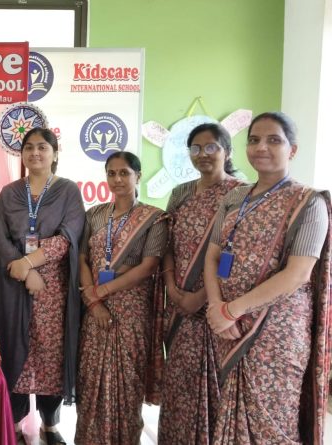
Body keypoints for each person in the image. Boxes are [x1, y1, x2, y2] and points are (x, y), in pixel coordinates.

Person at [204, 112, 331, 444]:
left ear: (293, 150)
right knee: (230, 415)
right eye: (254, 140)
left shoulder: (308, 203)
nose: (261, 147)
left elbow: (298, 274)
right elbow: (212, 256)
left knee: (273, 422)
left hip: (276, 333)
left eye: (274, 140)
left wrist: (231, 310)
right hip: (228, 327)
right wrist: (217, 306)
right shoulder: (233, 198)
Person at [0, 128, 85, 445]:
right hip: (13, 285)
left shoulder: (68, 191)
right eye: (29, 147)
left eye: (42, 147)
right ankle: (14, 424)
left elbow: (69, 236)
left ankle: (50, 425)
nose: (35, 153)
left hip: (52, 288)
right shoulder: (10, 192)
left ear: (55, 153)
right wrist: (23, 269)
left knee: (50, 355)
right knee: (12, 350)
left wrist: (30, 263)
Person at [157, 123, 244, 444]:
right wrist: (171, 288)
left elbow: (237, 255)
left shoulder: (242, 194)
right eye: (195, 148)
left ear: (227, 151)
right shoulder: (180, 193)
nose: (202, 154)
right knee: (179, 382)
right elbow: (167, 244)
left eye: (211, 147)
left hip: (217, 306)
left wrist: (202, 297)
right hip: (178, 303)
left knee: (215, 385)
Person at [75, 151, 168, 444]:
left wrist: (102, 291)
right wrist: (94, 303)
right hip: (95, 311)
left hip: (131, 313)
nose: (117, 179)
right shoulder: (94, 215)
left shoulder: (154, 218)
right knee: (91, 380)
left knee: (127, 383)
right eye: (111, 173)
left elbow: (148, 266)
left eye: (124, 173)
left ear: (138, 176)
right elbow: (81, 259)